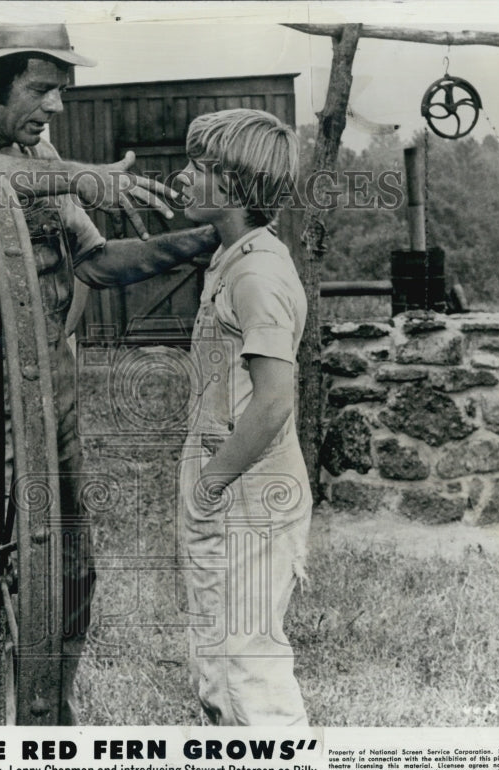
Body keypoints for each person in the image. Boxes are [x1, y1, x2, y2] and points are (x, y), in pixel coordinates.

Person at [0, 23, 218, 724]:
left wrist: (196, 242)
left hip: (52, 391)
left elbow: (94, 262)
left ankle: (47, 720)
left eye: (61, 90)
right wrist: (79, 176)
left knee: (70, 574)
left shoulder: (36, 150)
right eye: (41, 88)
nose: (56, 107)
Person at [175, 108, 310, 725]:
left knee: (249, 658)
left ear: (232, 186)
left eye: (195, 168)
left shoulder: (256, 272)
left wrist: (210, 485)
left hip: (247, 489)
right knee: (218, 654)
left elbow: (275, 398)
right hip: (230, 482)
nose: (180, 177)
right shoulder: (234, 258)